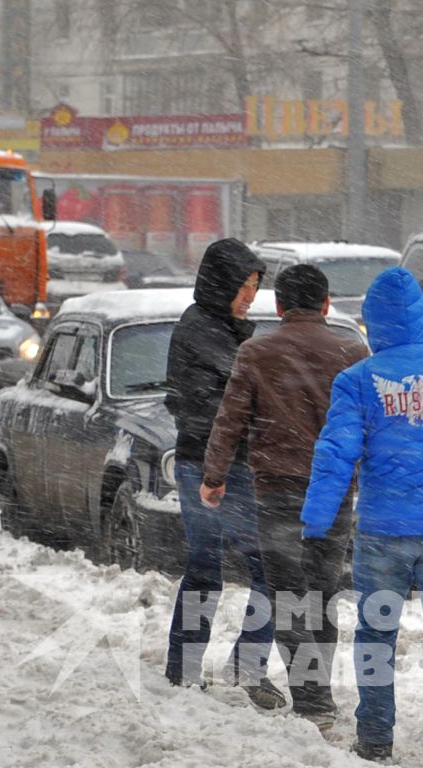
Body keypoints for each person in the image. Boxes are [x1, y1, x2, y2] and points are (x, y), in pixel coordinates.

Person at [302, 266, 423, 768]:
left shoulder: (358, 380)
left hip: (382, 530)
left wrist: (316, 517)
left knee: (375, 635)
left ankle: (375, 737)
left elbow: (336, 452)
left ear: (373, 323)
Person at [202, 264, 371, 731]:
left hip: (276, 488)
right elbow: (367, 422)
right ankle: (320, 697)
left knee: (287, 595)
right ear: (326, 304)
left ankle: (311, 699)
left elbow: (230, 418)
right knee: (322, 590)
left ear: (278, 306)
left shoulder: (256, 352)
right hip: (335, 491)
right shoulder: (352, 351)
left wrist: (214, 474)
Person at [164, 238, 278, 705]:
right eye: (243, 286)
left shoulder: (230, 329)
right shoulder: (200, 331)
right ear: (220, 284)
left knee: (250, 569)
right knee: (215, 569)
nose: (250, 295)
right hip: (207, 467)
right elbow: (211, 407)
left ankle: (232, 667)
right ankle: (193, 670)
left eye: (254, 286)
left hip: (230, 465)